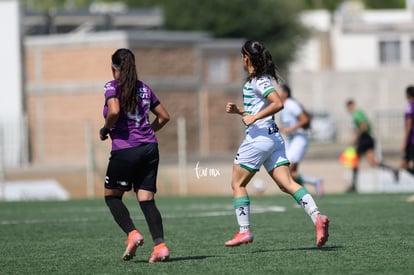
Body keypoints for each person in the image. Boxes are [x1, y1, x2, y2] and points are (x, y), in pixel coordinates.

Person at [224, 40, 330, 248]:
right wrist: (240, 111)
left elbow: (277, 103)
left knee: (238, 184)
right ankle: (317, 217)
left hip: (258, 139)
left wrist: (253, 119)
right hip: (273, 139)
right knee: (287, 184)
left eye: (241, 56)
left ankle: (244, 231)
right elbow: (260, 109)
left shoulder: (258, 81)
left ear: (246, 57)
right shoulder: (257, 80)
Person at [99, 48, 170, 263]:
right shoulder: (145, 89)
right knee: (146, 199)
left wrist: (105, 129)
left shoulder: (112, 87)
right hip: (150, 148)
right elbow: (165, 117)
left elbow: (113, 111)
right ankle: (160, 247)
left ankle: (132, 233)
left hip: (125, 149)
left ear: (114, 67)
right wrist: (146, 132)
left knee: (112, 197)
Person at [277, 84, 324, 197]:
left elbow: (305, 119)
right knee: (290, 173)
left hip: (299, 139)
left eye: (279, 91)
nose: (276, 93)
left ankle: (311, 186)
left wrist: (291, 129)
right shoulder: (282, 106)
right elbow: (288, 124)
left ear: (285, 93)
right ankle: (308, 191)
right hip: (290, 140)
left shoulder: (291, 104)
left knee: (289, 169)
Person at [345, 99, 399, 192]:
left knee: (354, 160)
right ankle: (392, 170)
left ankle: (354, 185)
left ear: (352, 105)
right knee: (373, 163)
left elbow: (363, 126)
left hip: (365, 138)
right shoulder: (359, 113)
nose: (348, 109)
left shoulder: (357, 114)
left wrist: (356, 138)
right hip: (369, 138)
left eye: (349, 107)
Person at [401, 85, 414, 175]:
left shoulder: (409, 105)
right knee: (404, 164)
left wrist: (404, 142)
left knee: (404, 164)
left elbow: (408, 125)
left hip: (411, 140)